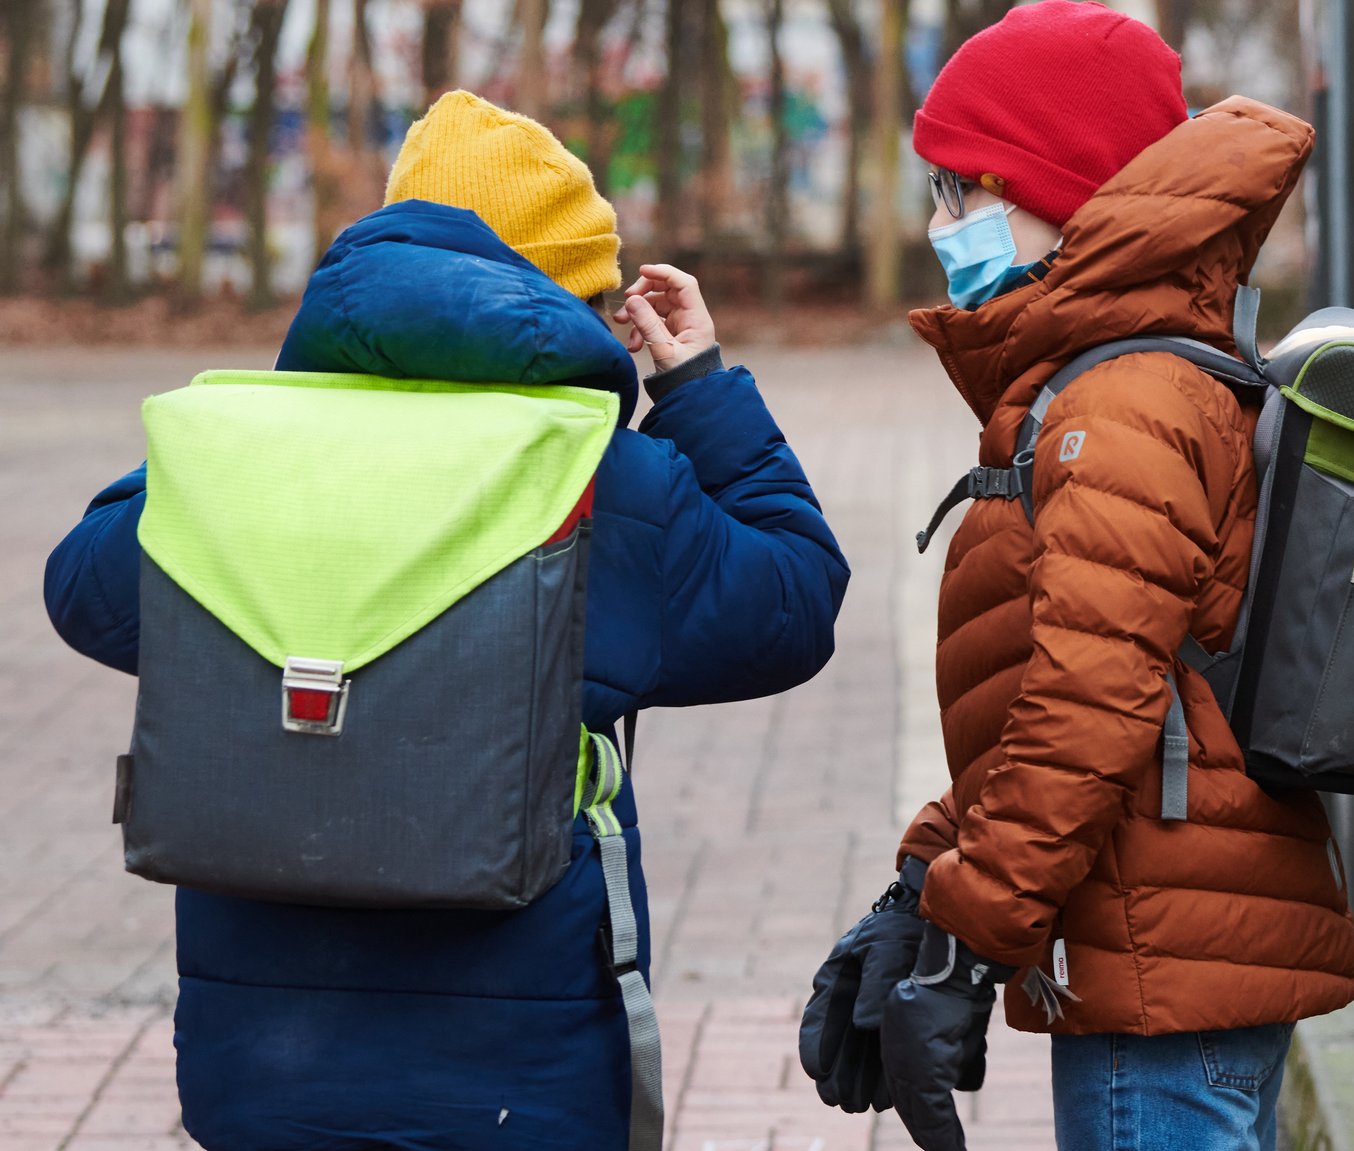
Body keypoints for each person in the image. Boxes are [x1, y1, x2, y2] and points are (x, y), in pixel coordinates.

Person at [44, 90, 849, 1150]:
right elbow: (792, 596)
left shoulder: (256, 450)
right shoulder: (600, 480)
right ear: (556, 293)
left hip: (265, 1063)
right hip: (519, 1082)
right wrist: (694, 384)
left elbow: (84, 584)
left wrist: (241, 440)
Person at [799, 5, 1354, 1149]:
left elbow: (1085, 713)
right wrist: (919, 887)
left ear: (1054, 191)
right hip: (1167, 943)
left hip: (1156, 963)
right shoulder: (1115, 382)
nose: (938, 219)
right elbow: (1088, 689)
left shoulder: (1118, 405)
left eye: (963, 189)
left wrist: (967, 936)